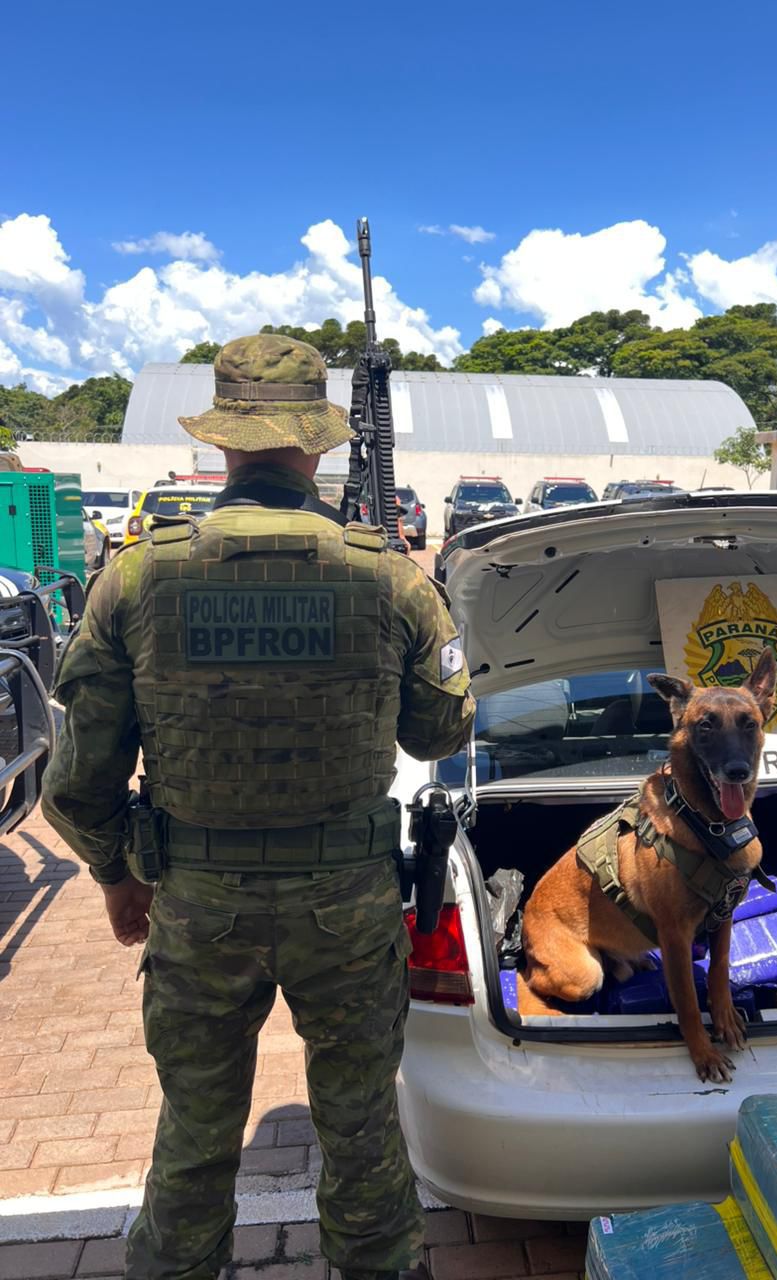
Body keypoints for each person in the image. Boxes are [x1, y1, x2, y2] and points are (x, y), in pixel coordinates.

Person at [41, 334, 476, 1280]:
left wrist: (117, 876)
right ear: (317, 443)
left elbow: (76, 781)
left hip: (199, 907)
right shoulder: (388, 574)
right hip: (349, 909)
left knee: (195, 1134)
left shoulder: (137, 577)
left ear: (222, 441)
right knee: (362, 1129)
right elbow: (441, 733)